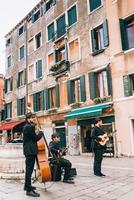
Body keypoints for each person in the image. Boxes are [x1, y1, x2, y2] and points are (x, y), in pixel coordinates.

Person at [23, 112, 43, 197]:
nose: (33, 119)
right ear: (28, 119)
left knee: (29, 170)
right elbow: (35, 138)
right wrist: (41, 133)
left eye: (33, 118)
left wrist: (35, 126)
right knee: (29, 171)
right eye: (32, 118)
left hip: (28, 151)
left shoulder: (26, 126)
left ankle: (27, 186)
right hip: (31, 151)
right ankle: (28, 190)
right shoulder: (30, 127)